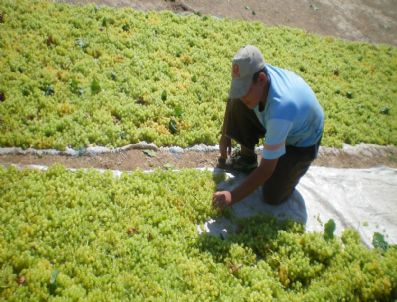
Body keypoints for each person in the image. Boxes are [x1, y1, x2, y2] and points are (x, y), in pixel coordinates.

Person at [213, 45, 324, 209]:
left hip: (302, 142)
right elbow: (233, 98)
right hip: (278, 120)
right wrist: (225, 135)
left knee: (272, 196)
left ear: (262, 79)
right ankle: (247, 158)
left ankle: (291, 167)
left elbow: (265, 170)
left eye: (244, 90)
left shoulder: (281, 109)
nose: (242, 94)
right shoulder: (255, 76)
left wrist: (232, 196)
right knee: (239, 102)